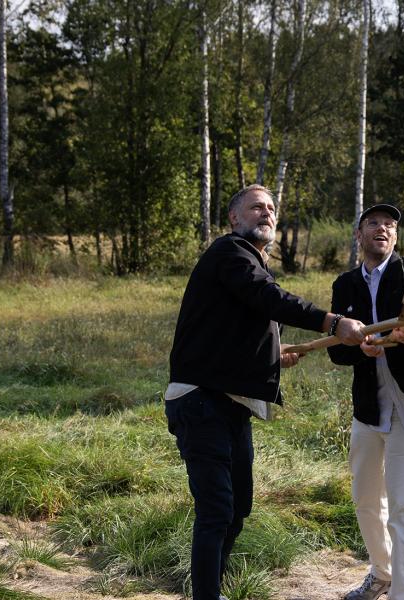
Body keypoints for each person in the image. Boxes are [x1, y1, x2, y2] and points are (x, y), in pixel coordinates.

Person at [165, 184, 367, 600]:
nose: (267, 213)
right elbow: (266, 298)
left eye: (272, 208)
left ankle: (212, 591)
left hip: (229, 404)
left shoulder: (246, 263)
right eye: (257, 207)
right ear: (234, 219)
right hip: (201, 401)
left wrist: (275, 354)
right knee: (217, 511)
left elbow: (236, 325)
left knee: (236, 510)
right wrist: (332, 323)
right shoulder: (230, 254)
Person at [327, 204, 404, 600]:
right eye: (374, 223)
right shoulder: (345, 285)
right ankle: (383, 573)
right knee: (365, 499)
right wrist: (360, 350)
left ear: (395, 237)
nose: (383, 229)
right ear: (359, 235)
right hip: (369, 409)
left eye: (390, 225)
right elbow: (337, 352)